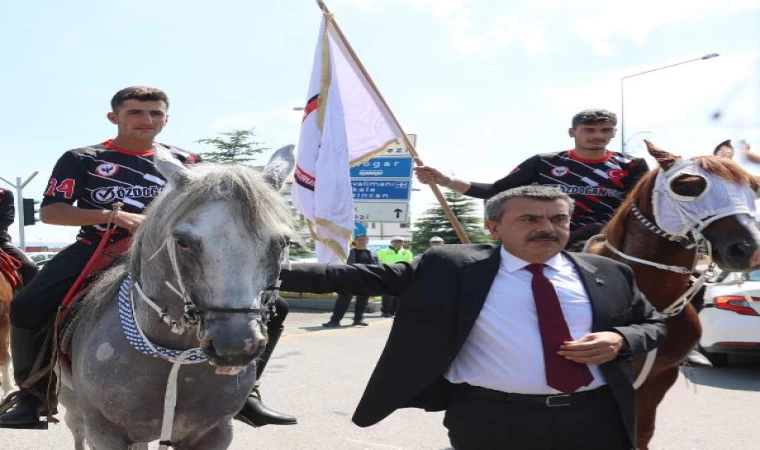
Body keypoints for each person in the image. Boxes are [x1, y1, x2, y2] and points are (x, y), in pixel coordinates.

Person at [278, 185, 667, 450]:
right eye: (529, 219)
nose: (547, 228)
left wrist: (620, 340)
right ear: (493, 227)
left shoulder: (608, 271)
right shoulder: (453, 266)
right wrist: (252, 268)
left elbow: (653, 324)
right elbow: (355, 277)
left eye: (558, 219)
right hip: (491, 419)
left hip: (596, 418)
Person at [0, 86, 295, 429]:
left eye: (155, 113)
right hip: (102, 246)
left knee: (275, 307)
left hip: (178, 253)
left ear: (166, 118)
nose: (147, 120)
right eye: (135, 113)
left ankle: (247, 392)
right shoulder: (83, 158)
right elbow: (52, 212)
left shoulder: (190, 163)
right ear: (115, 117)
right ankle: (33, 395)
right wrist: (112, 216)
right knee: (28, 305)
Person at [414, 109, 650, 251]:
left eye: (606, 130)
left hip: (613, 240)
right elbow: (495, 190)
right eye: (589, 130)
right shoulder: (544, 162)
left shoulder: (631, 165)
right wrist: (444, 179)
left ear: (613, 133)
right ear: (572, 132)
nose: (598, 136)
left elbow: (640, 209)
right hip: (552, 237)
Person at [322, 234, 377, 327]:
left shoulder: (371, 253)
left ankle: (358, 320)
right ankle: (334, 321)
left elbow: (375, 266)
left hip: (364, 280)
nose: (362, 241)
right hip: (349, 280)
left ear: (367, 242)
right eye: (360, 239)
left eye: (364, 240)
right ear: (355, 241)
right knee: (343, 301)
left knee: (362, 302)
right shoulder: (349, 252)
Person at [0, 188, 38, 285]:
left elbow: (8, 219)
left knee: (31, 267)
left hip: (1, 241)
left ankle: (29, 299)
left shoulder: (4, 194)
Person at [375, 236, 413, 317]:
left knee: (398, 294)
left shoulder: (407, 252)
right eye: (395, 241)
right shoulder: (382, 251)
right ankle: (385, 311)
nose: (397, 243)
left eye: (400, 241)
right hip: (387, 274)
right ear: (391, 242)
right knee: (387, 294)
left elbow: (409, 263)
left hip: (401, 275)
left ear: (403, 243)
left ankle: (394, 311)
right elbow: (377, 262)